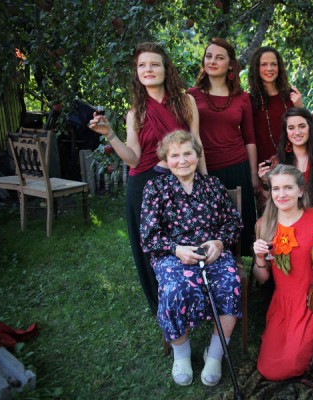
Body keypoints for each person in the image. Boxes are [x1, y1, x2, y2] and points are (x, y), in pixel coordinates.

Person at [88, 42, 206, 314]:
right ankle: (161, 304)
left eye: (154, 64)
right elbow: (133, 159)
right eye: (142, 65)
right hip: (143, 184)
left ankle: (194, 298)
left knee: (185, 239)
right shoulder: (135, 112)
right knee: (151, 247)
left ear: (166, 69)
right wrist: (110, 134)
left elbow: (197, 143)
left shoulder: (186, 102)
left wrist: (205, 182)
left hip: (180, 181)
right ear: (137, 73)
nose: (148, 69)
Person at [140, 130, 243, 387]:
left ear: (197, 156)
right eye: (175, 155)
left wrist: (219, 242)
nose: (182, 160)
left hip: (212, 253)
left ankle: (215, 355)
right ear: (166, 160)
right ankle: (182, 355)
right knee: (175, 288)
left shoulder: (213, 185)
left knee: (229, 283)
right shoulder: (155, 188)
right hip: (173, 255)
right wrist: (176, 249)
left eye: (188, 153)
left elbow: (233, 222)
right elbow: (148, 236)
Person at [253, 164, 313, 381]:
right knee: (269, 367)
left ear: (300, 190)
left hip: (312, 301)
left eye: (288, 188)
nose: (281, 194)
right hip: (281, 304)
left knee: (293, 362)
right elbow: (262, 278)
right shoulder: (264, 225)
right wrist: (260, 257)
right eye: (276, 188)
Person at [188, 37, 257, 255]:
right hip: (205, 169)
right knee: (209, 224)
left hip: (237, 167)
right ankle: (211, 263)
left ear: (230, 64)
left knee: (238, 225)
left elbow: (250, 138)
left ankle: (237, 265)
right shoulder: (191, 95)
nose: (213, 61)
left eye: (219, 58)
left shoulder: (242, 98)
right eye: (209, 56)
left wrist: (253, 176)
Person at [257, 107, 313, 209]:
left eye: (302, 126)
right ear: (286, 132)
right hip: (285, 216)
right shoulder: (276, 162)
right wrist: (265, 182)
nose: (297, 132)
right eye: (291, 128)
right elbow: (266, 203)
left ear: (310, 128)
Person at [248, 46, 303, 164]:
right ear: (256, 68)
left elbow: (306, 128)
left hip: (295, 162)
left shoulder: (292, 95)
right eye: (264, 64)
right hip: (266, 165)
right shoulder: (249, 100)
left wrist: (299, 107)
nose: (269, 68)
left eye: (274, 64)